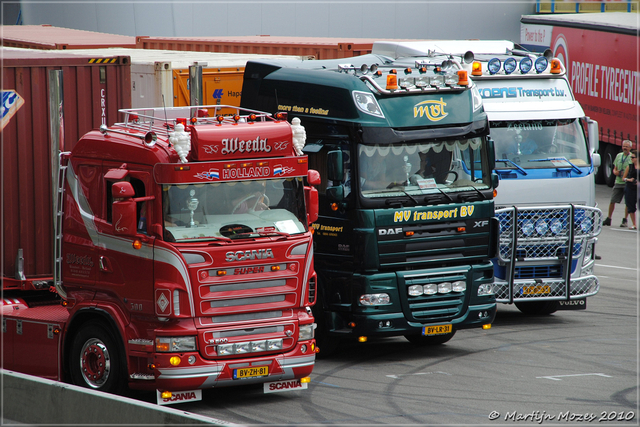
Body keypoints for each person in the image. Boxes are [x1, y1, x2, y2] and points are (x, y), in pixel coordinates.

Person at [603, 140, 633, 226]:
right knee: (612, 200)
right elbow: (614, 168)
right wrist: (615, 172)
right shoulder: (619, 156)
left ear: (630, 148)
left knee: (627, 202)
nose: (625, 148)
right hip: (618, 181)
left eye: (627, 147)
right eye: (624, 146)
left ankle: (625, 219)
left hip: (627, 182)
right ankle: (609, 218)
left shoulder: (632, 158)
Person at [622, 149, 638, 230]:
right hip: (630, 188)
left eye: (633, 157)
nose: (631, 159)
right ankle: (634, 224)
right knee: (630, 206)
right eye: (631, 157)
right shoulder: (629, 166)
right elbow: (623, 178)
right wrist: (629, 180)